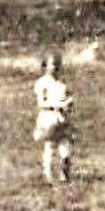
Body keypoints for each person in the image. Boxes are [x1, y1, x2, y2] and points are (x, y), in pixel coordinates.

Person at [32, 52, 75, 182]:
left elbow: (68, 98)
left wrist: (68, 104)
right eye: (52, 65)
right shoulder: (42, 83)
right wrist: (58, 106)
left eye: (57, 65)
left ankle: (63, 172)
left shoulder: (62, 84)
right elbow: (42, 103)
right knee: (50, 144)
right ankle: (49, 173)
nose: (55, 68)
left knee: (65, 145)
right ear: (46, 66)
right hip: (48, 118)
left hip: (61, 117)